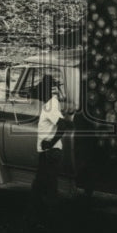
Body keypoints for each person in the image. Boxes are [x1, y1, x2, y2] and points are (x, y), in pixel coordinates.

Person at [32, 74, 71, 218]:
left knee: (43, 188)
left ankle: (46, 220)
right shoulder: (50, 103)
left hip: (50, 153)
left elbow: (62, 126)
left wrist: (50, 143)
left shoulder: (50, 106)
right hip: (48, 153)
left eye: (39, 92)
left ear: (46, 91)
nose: (38, 96)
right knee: (46, 188)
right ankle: (46, 219)